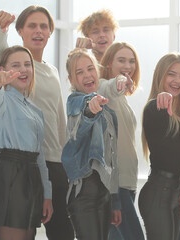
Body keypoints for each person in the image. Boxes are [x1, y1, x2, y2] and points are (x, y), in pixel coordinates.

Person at [0, 6, 72, 239]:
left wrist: (66, 159)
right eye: (32, 25)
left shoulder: (52, 71)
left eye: (44, 26)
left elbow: (59, 118)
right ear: (20, 31)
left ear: (50, 32)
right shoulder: (15, 62)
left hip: (52, 164)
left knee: (62, 232)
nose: (38, 31)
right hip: (20, 164)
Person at [0, 45, 53, 240]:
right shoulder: (2, 98)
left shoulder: (35, 110)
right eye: (16, 65)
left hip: (32, 176)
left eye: (27, 64)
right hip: (10, 175)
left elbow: (40, 155)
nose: (23, 69)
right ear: (3, 70)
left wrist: (47, 193)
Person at [61, 48, 121, 240]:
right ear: (71, 80)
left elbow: (112, 158)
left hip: (103, 191)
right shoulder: (76, 102)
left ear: (97, 72)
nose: (87, 75)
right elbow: (80, 124)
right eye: (79, 72)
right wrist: (90, 110)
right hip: (82, 191)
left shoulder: (108, 112)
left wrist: (114, 199)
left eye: (90, 69)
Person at [139, 53, 180, 240]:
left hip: (172, 193)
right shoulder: (156, 107)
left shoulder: (178, 112)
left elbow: (172, 157)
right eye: (172, 74)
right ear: (160, 76)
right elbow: (156, 106)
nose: (178, 80)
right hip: (158, 195)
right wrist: (162, 97)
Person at [98, 42, 145, 240]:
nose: (128, 66)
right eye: (121, 60)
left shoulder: (123, 100)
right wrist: (118, 82)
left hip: (127, 183)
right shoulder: (102, 88)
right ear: (108, 63)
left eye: (132, 61)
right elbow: (110, 87)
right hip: (114, 185)